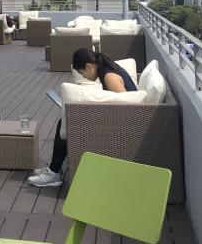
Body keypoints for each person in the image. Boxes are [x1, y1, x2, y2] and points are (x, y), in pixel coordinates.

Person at [28, 48, 137, 188]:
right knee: (68, 120)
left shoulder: (110, 76)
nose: (84, 77)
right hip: (119, 120)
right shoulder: (107, 70)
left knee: (69, 122)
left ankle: (53, 172)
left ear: (89, 66)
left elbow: (128, 106)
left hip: (124, 127)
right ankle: (54, 169)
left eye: (82, 73)